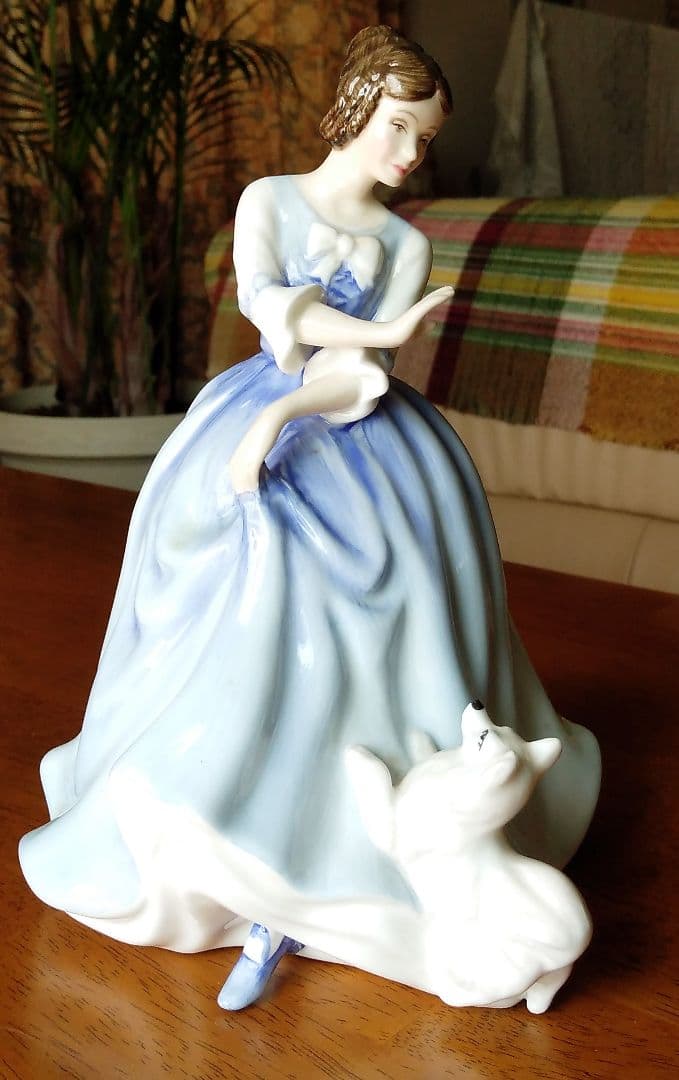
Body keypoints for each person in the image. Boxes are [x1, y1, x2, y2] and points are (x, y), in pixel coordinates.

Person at [19, 26, 600, 1011]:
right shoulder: (270, 200)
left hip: (360, 428)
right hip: (258, 411)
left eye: (424, 138)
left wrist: (335, 374)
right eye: (397, 126)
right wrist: (292, 397)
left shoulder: (406, 244)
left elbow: (358, 373)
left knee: (397, 603)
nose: (410, 153)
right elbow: (268, 307)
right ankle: (230, 846)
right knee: (233, 599)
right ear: (358, 105)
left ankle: (355, 866)